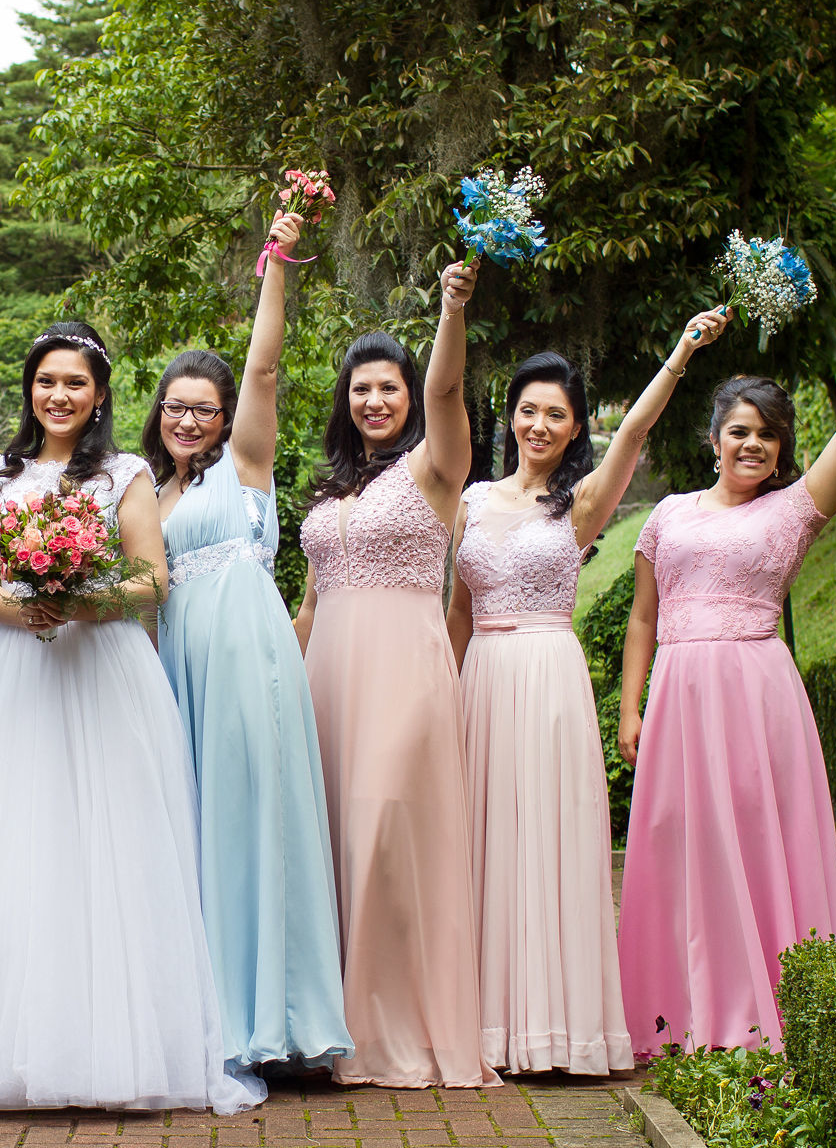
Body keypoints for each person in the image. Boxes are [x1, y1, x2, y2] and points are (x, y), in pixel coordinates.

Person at [0, 322, 264, 1116]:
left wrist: (81, 598)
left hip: (105, 673)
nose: (58, 395)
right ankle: (2, 1052)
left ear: (98, 396)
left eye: (75, 383)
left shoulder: (126, 474)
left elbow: (152, 579)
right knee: (14, 844)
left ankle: (113, 1052)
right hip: (17, 672)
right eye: (46, 381)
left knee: (110, 848)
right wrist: (21, 609)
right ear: (31, 389)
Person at [616, 298, 836, 1053]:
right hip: (677, 695)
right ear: (713, 440)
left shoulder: (794, 510)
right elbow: (643, 618)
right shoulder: (665, 515)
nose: (753, 444)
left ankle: (765, 1006)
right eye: (740, 430)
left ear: (781, 450)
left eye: (768, 435)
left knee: (754, 835)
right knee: (679, 842)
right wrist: (629, 708)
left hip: (756, 694)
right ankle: (676, 1011)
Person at [445, 308, 727, 1076]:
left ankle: (558, 1031)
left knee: (549, 844)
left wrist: (680, 352)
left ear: (574, 429)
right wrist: (442, 694)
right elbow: (458, 613)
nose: (539, 425)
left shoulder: (581, 503)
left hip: (548, 680)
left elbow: (633, 432)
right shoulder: (470, 501)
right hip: (481, 684)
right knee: (485, 846)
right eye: (528, 410)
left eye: (556, 415)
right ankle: (489, 1029)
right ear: (511, 416)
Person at [145, 212, 351, 1075]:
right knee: (202, 829)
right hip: (177, 667)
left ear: (228, 417)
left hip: (245, 655)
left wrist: (277, 260)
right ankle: (218, 1013)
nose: (188, 420)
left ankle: (283, 1021)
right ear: (158, 413)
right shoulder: (148, 494)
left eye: (205, 409)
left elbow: (264, 363)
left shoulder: (245, 468)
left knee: (258, 817)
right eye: (176, 407)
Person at [293, 262, 498, 1089]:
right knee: (332, 839)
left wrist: (451, 310)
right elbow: (309, 606)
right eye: (361, 389)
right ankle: (327, 1022)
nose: (374, 400)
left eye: (389, 387)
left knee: (383, 834)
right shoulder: (332, 489)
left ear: (410, 395)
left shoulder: (436, 468)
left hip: (404, 671)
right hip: (326, 677)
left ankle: (390, 1027)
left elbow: (448, 391)